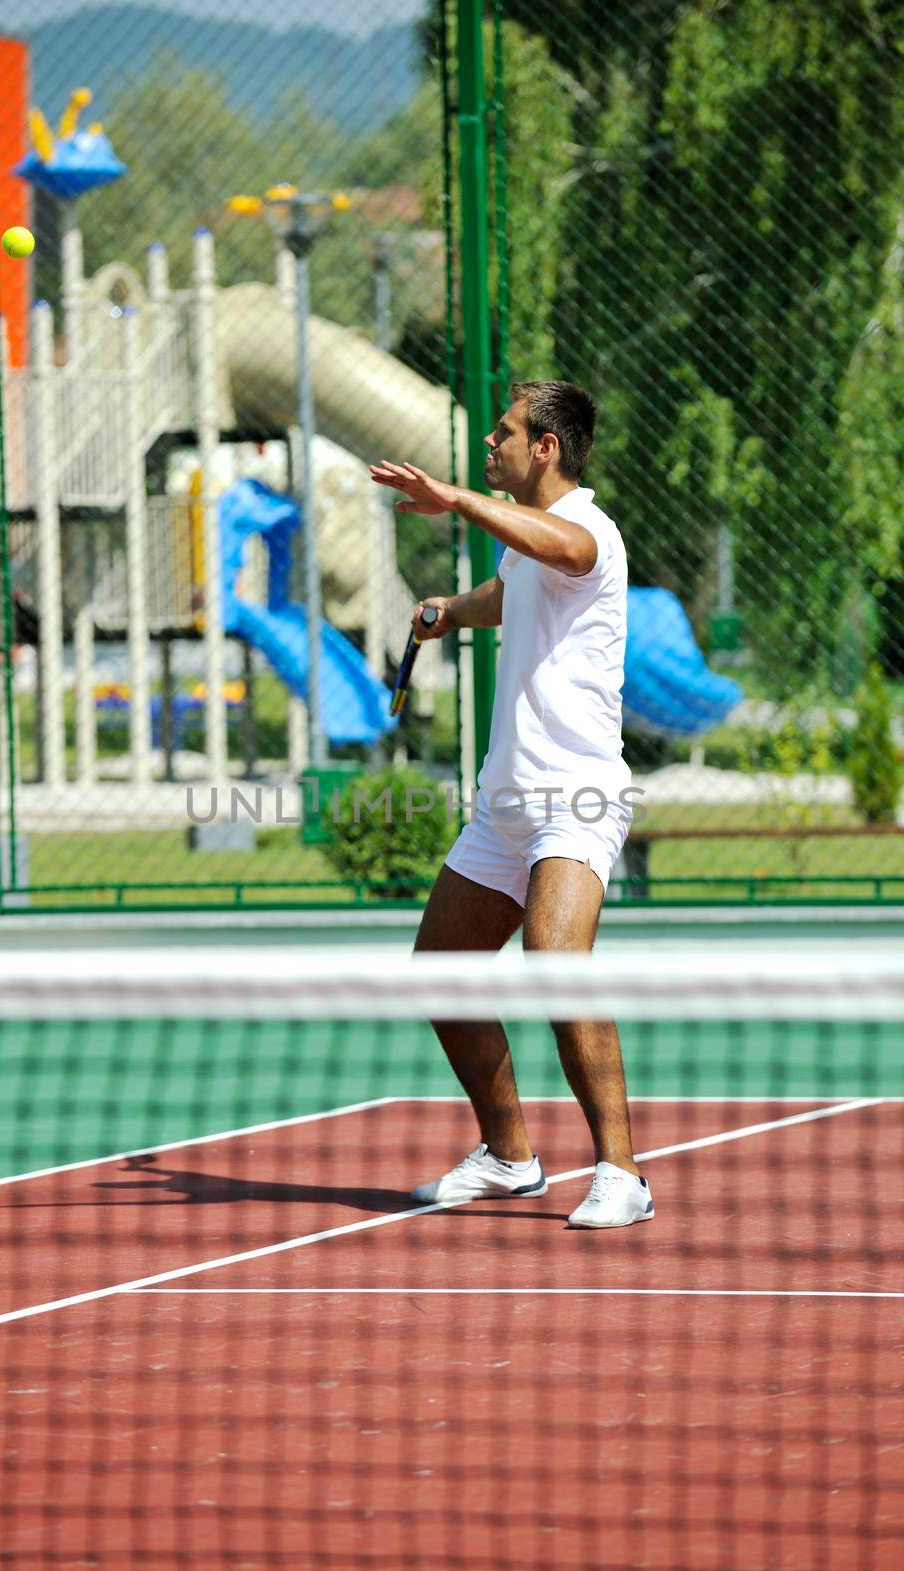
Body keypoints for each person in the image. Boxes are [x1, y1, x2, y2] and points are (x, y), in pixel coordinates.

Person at [369, 381, 652, 1230]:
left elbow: (563, 555)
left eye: (504, 433)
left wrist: (452, 498)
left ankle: (622, 1174)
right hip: (505, 801)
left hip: (578, 796)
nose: (490, 444)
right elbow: (517, 587)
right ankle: (509, 1157)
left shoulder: (587, 532)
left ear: (546, 449)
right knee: (442, 974)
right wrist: (452, 612)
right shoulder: (523, 545)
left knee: (554, 963)